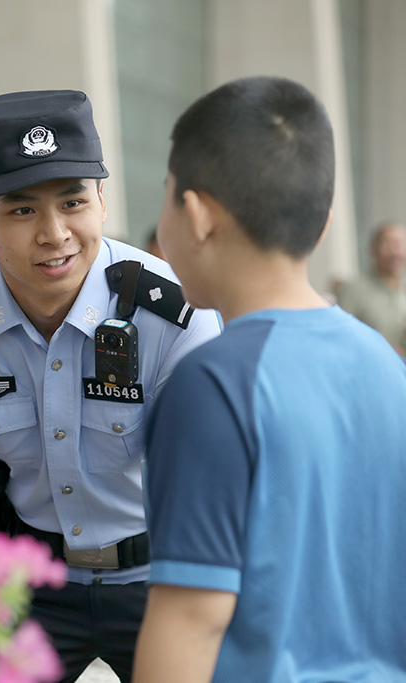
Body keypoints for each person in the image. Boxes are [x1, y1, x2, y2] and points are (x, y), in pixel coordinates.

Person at [0, 90, 221, 682]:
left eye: (73, 202)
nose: (55, 233)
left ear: (102, 202)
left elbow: (208, 501)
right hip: (23, 584)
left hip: (163, 578)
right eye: (20, 210)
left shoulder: (177, 316)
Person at [133, 77, 406, 682]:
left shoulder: (214, 384)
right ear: (324, 220)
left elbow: (190, 621)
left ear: (197, 215)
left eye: (167, 196)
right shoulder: (389, 368)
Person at [336, 221, 406, 354]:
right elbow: (341, 337)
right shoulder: (353, 290)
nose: (395, 251)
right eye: (388, 243)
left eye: (399, 244)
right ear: (373, 249)